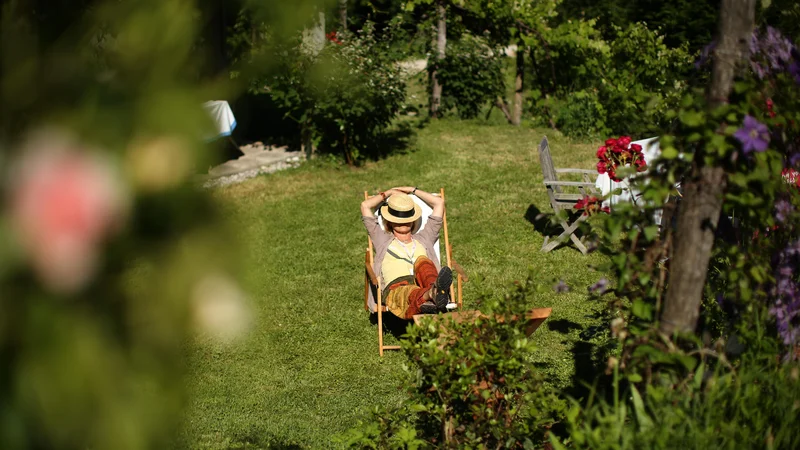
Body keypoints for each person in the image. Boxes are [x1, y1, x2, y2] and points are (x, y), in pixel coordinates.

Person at [361, 186, 452, 319]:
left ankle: (434, 291)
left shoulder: (425, 238)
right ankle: (432, 295)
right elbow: (365, 206)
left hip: (424, 282)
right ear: (390, 221)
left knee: (423, 262)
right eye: (398, 219)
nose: (403, 222)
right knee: (409, 291)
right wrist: (389, 193)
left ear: (413, 219)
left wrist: (412, 190)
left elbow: (439, 203)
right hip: (397, 288)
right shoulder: (382, 240)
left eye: (406, 218)